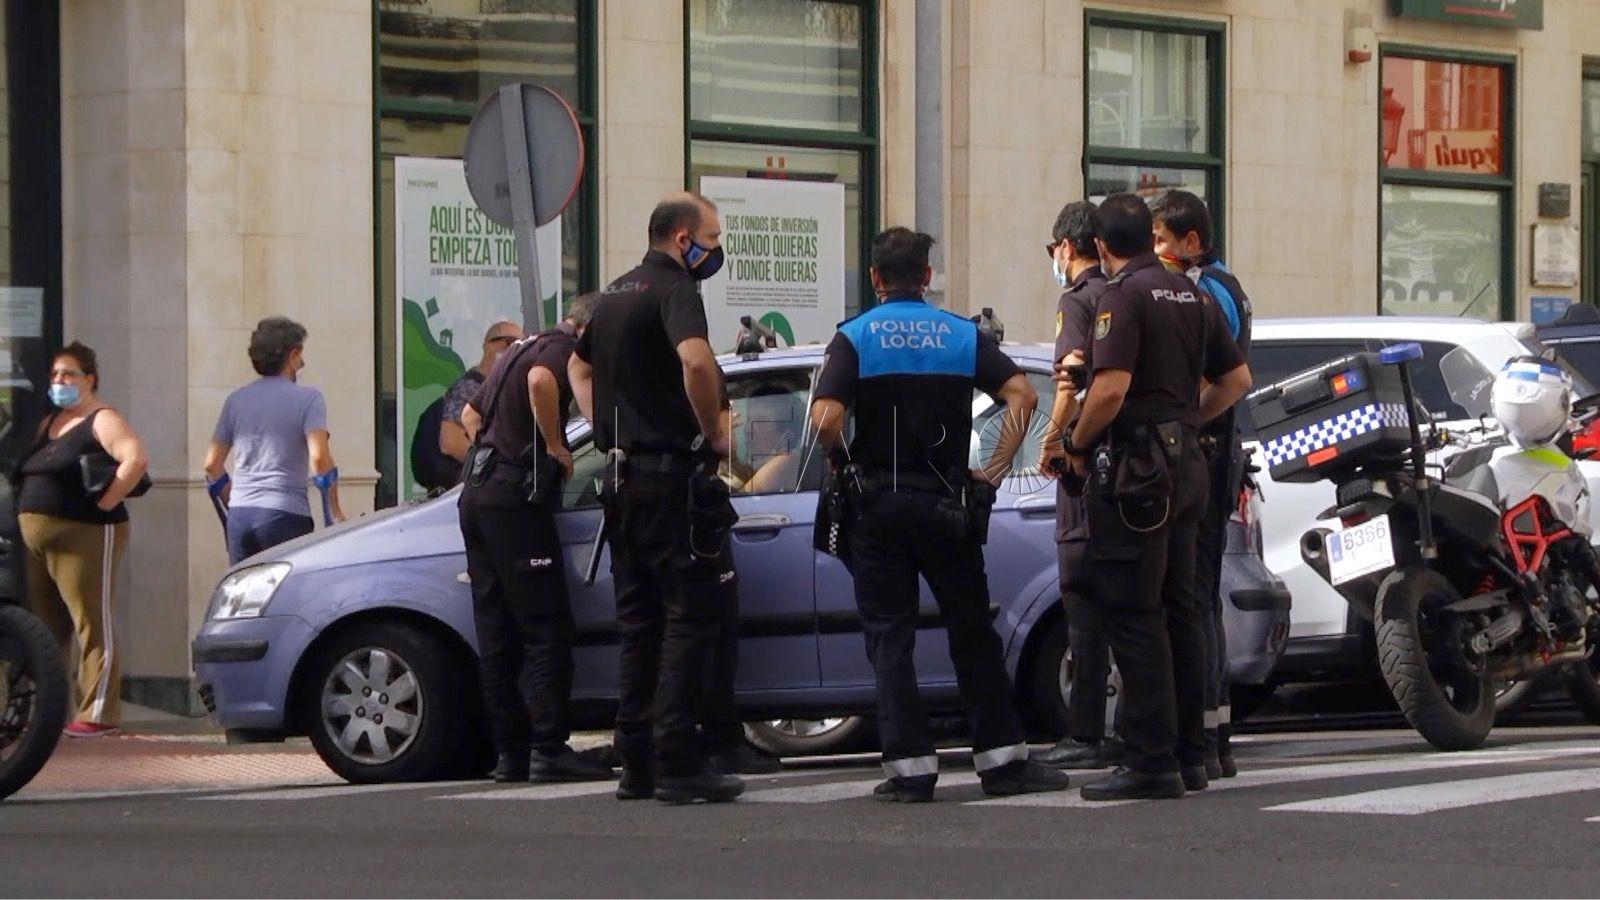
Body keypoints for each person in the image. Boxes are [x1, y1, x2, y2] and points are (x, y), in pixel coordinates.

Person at [809, 226, 1070, 802]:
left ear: (875, 277)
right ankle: (1002, 763)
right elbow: (1023, 397)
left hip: (877, 505)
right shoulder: (960, 334)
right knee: (971, 630)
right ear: (927, 277)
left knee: (890, 637)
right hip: (945, 502)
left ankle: (910, 771)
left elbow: (825, 420)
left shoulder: (853, 338)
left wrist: (841, 460)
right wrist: (993, 471)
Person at [1064, 194, 1251, 802]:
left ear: (1099, 246)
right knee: (1181, 611)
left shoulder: (1122, 296)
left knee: (1134, 613)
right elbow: (1237, 379)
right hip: (1189, 465)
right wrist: (1186, 423)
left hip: (1139, 472)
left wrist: (1077, 441)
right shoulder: (1189, 291)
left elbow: (1112, 388)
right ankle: (1191, 755)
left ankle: (1148, 761)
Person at [568, 192, 745, 804]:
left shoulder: (613, 293)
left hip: (620, 480)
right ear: (680, 237)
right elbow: (696, 362)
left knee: (638, 623)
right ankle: (677, 761)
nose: (716, 251)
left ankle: (636, 760)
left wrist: (604, 427)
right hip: (670, 478)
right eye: (713, 239)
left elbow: (577, 367)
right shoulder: (677, 290)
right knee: (687, 619)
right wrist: (714, 431)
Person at [456, 295, 610, 785]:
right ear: (589, 330)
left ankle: (511, 754)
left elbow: (469, 417)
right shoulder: (560, 350)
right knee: (546, 628)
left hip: (478, 494)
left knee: (497, 631)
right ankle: (548, 749)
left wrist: (495, 451)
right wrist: (554, 447)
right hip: (514, 502)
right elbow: (542, 384)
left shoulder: (519, 348)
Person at [1152, 190, 1253, 779]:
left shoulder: (1205, 289)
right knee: (1199, 598)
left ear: (1193, 241)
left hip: (1207, 453)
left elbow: (1220, 375)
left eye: (1165, 242)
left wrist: (1187, 417)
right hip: (1215, 452)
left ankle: (1211, 735)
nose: (1159, 253)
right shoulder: (1224, 284)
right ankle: (1214, 736)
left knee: (1193, 598)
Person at [1032, 201, 1125, 771]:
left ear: (1067, 247)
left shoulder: (1076, 300)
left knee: (1084, 608)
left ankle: (1086, 730)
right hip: (1133, 472)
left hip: (1087, 471)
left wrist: (1052, 443)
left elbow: (1068, 383)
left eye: (1053, 249)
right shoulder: (1121, 296)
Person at [16, 342, 149, 737]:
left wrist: (107, 501)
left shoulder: (102, 419)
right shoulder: (50, 423)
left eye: (69, 374)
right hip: (40, 543)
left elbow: (135, 458)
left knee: (91, 621)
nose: (60, 382)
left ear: (89, 379)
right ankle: (49, 713)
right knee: (46, 628)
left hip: (86, 533)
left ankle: (99, 712)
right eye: (55, 375)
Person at [205, 317, 346, 565]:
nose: (303, 363)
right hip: (286, 513)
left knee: (244, 595)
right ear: (292, 356)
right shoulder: (309, 399)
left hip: (240, 515)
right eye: (300, 355)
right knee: (287, 597)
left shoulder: (236, 400)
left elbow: (212, 465)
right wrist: (334, 511)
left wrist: (235, 501)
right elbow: (319, 457)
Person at [414, 320, 521, 492]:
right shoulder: (468, 388)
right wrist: (491, 468)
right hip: (460, 490)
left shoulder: (496, 388)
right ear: (487, 346)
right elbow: (450, 441)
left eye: (520, 345)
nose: (514, 349)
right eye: (509, 342)